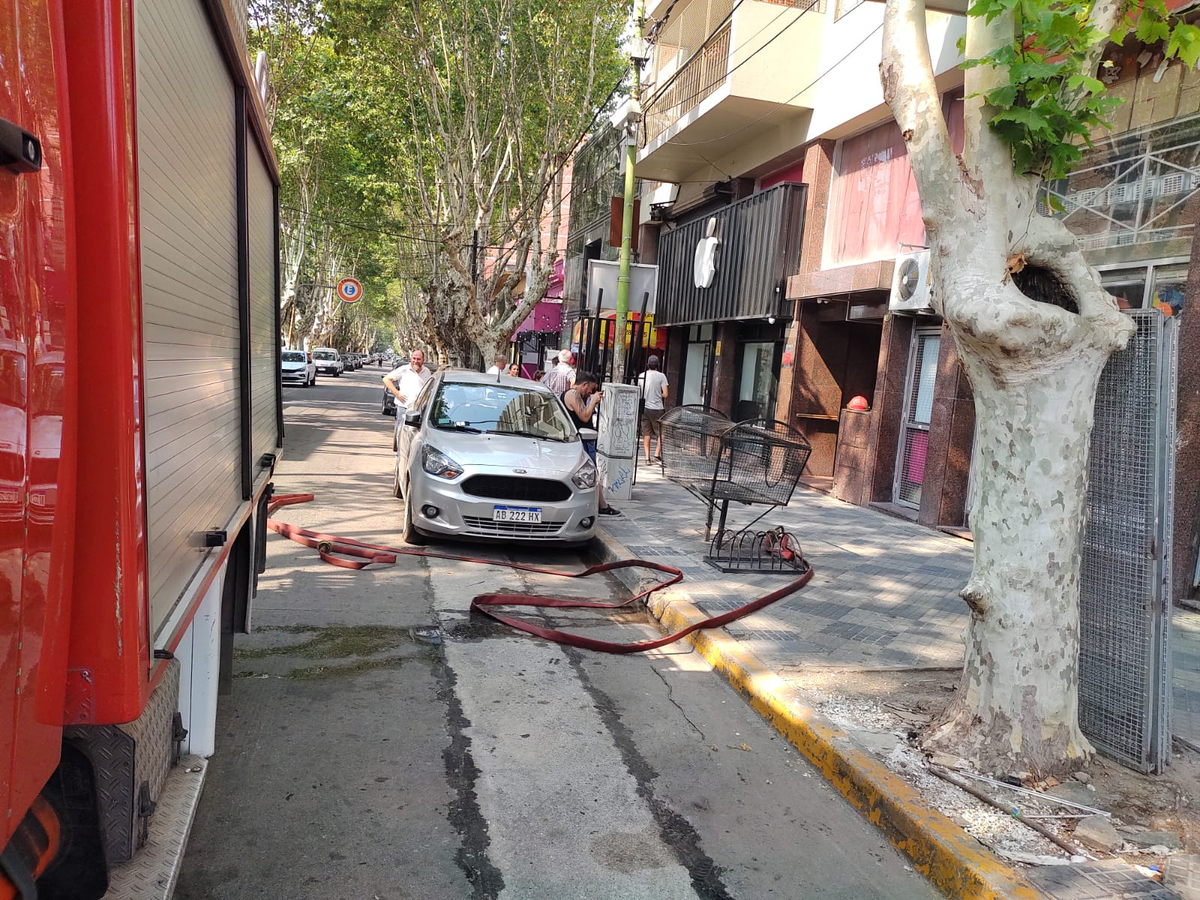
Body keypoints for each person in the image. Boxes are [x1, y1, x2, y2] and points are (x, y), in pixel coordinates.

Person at [563, 372, 619, 516]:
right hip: (582, 440)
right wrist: (593, 401)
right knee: (591, 472)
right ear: (584, 384)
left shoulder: (576, 395)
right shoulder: (573, 394)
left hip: (585, 439)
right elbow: (585, 416)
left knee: (592, 472)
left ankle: (601, 504)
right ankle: (602, 506)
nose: (590, 393)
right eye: (591, 389)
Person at [382, 349, 432, 423]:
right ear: (411, 358)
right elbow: (386, 379)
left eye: (418, 359)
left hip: (420, 409)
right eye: (414, 358)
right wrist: (397, 394)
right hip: (404, 407)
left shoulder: (427, 371)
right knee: (401, 430)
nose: (416, 361)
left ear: (423, 360)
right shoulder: (404, 369)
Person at [638, 355, 669, 464]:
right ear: (658, 365)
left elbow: (639, 392)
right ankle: (657, 455)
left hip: (645, 408)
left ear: (648, 364)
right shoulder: (661, 376)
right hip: (657, 409)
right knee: (661, 433)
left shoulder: (642, 376)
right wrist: (657, 394)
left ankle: (647, 458)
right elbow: (665, 394)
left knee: (646, 433)